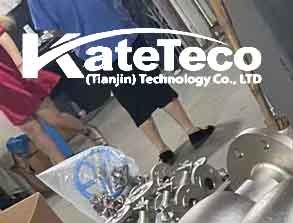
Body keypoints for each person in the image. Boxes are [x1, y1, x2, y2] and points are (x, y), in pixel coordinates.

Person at [28, 0, 215, 164]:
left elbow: (51, 29)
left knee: (130, 100)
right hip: (120, 30)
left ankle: (163, 150)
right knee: (155, 84)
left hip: (93, 50)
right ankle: (191, 130)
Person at [0, 16, 104, 165]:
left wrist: (21, 65)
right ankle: (63, 166)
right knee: (33, 130)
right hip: (4, 95)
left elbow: (2, 36)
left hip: (17, 78)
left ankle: (87, 130)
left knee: (53, 118)